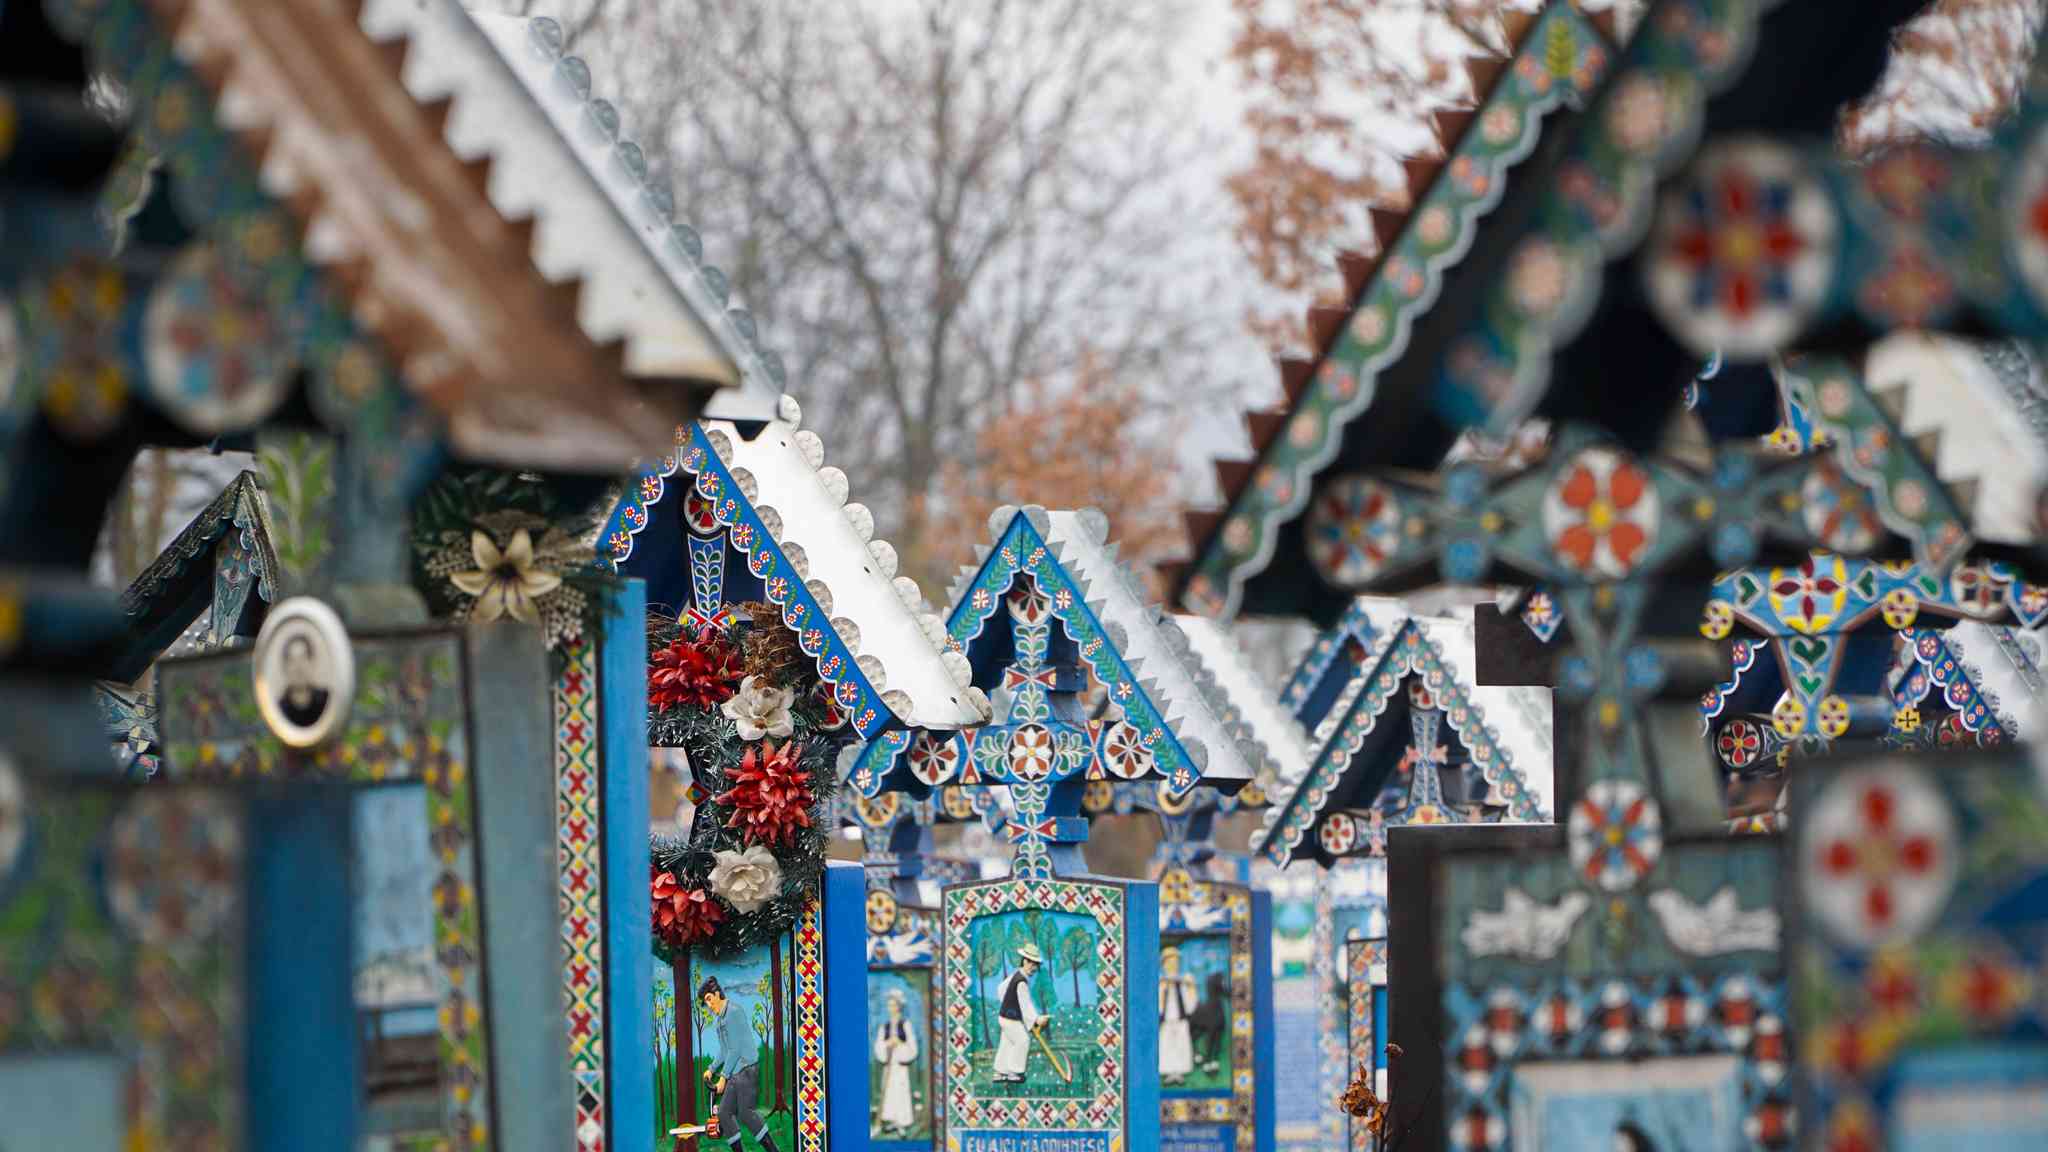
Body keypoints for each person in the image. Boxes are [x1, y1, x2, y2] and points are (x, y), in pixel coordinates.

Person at [699, 977, 783, 1152]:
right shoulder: (719, 1021)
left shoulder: (734, 1012)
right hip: (735, 1074)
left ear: (716, 994)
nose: (709, 1005)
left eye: (709, 999)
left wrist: (722, 1078)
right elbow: (724, 1050)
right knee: (723, 1113)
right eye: (705, 1002)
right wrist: (712, 1068)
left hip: (747, 1069)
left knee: (746, 1113)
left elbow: (735, 1049)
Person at [992, 944, 1045, 1084]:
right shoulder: (1021, 982)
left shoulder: (1016, 974)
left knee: (1007, 1042)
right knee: (1023, 1040)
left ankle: (1000, 1072)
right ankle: (1015, 1072)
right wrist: (1037, 1019)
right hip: (1010, 1019)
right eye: (1032, 964)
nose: (1034, 968)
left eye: (1036, 965)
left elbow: (1000, 989)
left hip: (1004, 1016)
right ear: (1025, 961)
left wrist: (1007, 1003)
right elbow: (1025, 1004)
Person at [872, 988, 919, 1133]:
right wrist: (887, 1044)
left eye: (894, 1005)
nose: (891, 1008)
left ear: (899, 1007)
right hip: (889, 1067)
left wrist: (899, 1043)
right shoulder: (884, 1026)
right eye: (889, 1005)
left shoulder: (906, 1025)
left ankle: (901, 1124)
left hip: (901, 1067)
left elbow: (913, 1048)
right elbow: (879, 1046)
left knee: (901, 1093)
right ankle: (890, 1121)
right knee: (889, 1094)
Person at [1158, 946, 1197, 1084]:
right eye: (1169, 962)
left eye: (1175, 962)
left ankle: (1179, 1072)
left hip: (1181, 1019)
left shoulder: (1184, 982)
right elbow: (1158, 1006)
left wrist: (1191, 988)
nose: (1172, 965)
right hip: (1167, 1020)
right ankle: (1169, 1072)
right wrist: (1162, 990)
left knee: (1181, 1044)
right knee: (1166, 1044)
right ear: (1164, 965)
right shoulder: (1161, 983)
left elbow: (1190, 1005)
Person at [277, 633, 330, 728]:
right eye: (292, 660)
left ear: (311, 662)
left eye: (303, 658)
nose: (298, 667)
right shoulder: (278, 710)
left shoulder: (327, 701)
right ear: (285, 667)